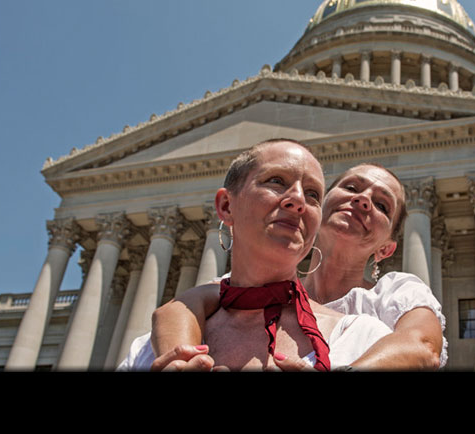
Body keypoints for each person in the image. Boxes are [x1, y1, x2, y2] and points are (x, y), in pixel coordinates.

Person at [118, 139, 391, 371]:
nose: (297, 199)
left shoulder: (363, 338)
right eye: (276, 181)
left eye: (312, 195)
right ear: (226, 206)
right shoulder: (151, 350)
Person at [148, 161, 447, 371]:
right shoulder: (269, 284)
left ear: (386, 249)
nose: (362, 200)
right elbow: (180, 307)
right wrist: (184, 361)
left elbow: (422, 346)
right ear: (317, 210)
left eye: (382, 205)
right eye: (351, 187)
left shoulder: (393, 292)